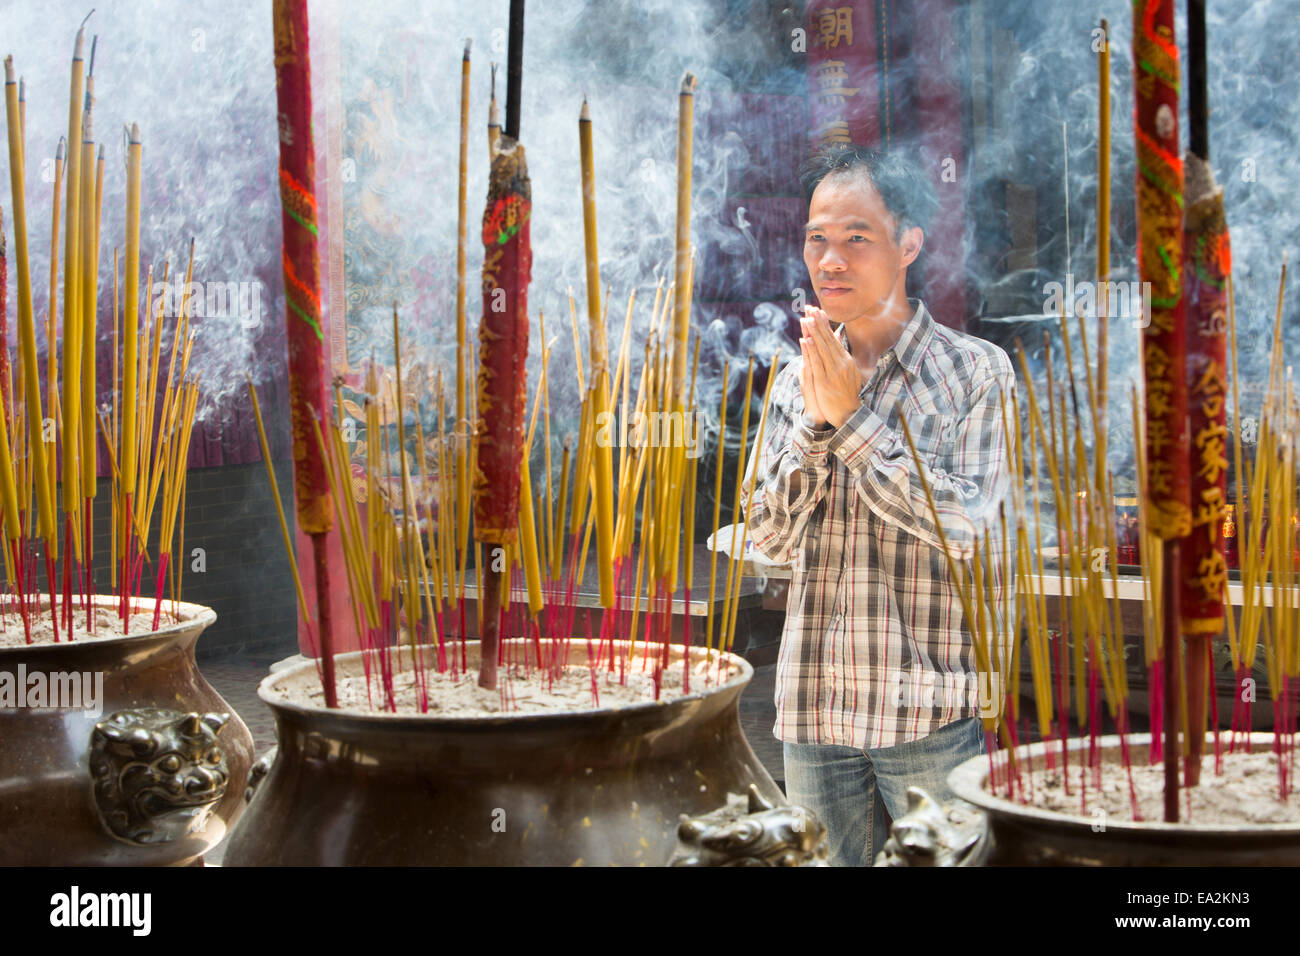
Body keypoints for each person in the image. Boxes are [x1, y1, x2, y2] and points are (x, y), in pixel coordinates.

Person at [741, 143, 1016, 867]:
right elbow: (765, 537)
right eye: (816, 240)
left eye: (856, 239)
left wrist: (855, 425)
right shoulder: (796, 380)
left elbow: (967, 526)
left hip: (927, 710)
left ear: (910, 244)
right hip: (812, 710)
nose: (829, 260)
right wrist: (817, 421)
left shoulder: (974, 373)